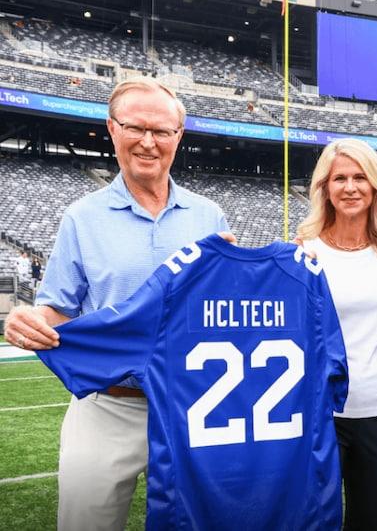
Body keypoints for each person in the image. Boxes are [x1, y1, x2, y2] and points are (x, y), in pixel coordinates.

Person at [2, 76, 229, 531]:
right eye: (135, 128)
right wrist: (26, 319)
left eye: (162, 131)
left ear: (178, 137)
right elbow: (56, 308)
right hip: (108, 403)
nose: (148, 142)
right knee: (85, 522)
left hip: (194, 404)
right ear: (112, 129)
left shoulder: (210, 216)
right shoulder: (82, 217)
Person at [296, 137, 377, 531]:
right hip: (319, 411)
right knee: (315, 521)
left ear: (375, 187)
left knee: (370, 521)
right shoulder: (302, 250)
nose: (350, 187)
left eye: (360, 178)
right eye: (340, 179)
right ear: (326, 189)